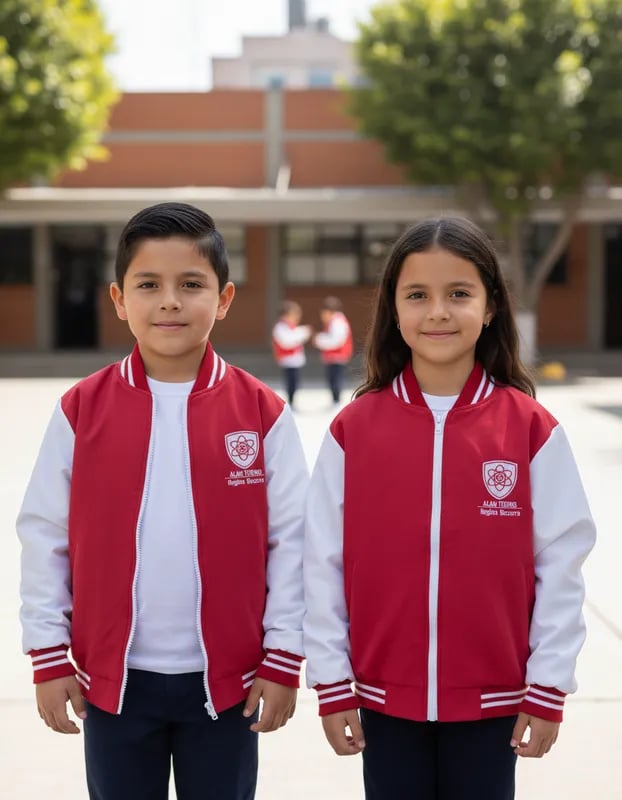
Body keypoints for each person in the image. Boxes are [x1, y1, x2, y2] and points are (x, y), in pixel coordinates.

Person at [17, 202, 308, 800]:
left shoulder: (261, 413)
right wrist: (48, 653)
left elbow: (294, 543)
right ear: (120, 300)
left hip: (228, 685)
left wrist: (283, 657)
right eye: (149, 285)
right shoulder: (82, 409)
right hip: (114, 684)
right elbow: (44, 534)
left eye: (191, 284)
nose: (170, 301)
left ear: (223, 299)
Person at [303, 217, 596, 800]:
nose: (437, 311)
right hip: (384, 699)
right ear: (394, 309)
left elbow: (561, 567)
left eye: (459, 294)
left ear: (490, 308)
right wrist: (332, 680)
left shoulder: (531, 429)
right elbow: (320, 562)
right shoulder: (353, 430)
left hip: (494, 702)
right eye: (417, 295)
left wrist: (547, 686)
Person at [313, 296, 353, 405]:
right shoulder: (334, 321)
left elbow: (336, 340)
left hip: (338, 356)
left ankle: (336, 400)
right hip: (333, 356)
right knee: (332, 378)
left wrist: (320, 341)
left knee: (335, 379)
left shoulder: (338, 322)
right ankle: (335, 399)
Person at [272, 299, 312, 407]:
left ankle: (292, 400)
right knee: (290, 382)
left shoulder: (289, 327)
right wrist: (302, 333)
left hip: (294, 360)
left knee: (295, 382)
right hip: (287, 360)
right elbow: (287, 341)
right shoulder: (280, 327)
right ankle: (291, 400)